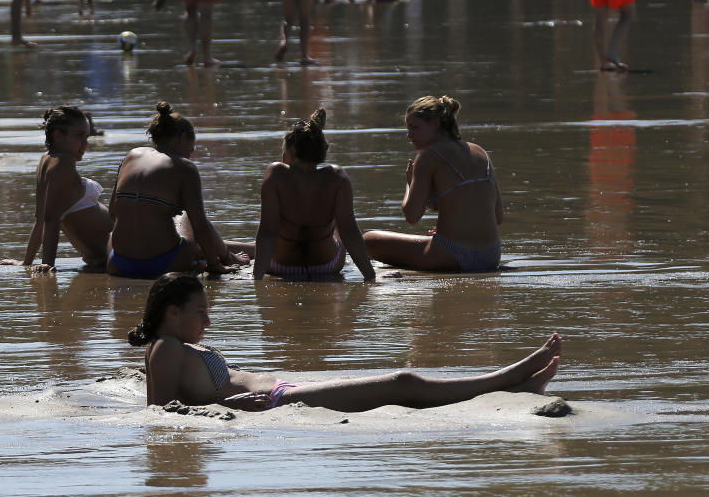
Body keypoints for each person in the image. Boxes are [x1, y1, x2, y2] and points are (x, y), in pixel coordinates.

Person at [129, 274, 562, 411]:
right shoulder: (167, 348)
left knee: (401, 382)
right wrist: (233, 407)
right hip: (278, 401)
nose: (209, 318)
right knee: (402, 380)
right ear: (173, 314)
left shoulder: (172, 345)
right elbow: (161, 415)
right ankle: (506, 377)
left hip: (280, 391)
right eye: (201, 312)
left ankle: (514, 387)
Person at [107, 102, 250, 278]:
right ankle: (228, 257)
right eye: (192, 145)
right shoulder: (185, 167)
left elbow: (113, 212)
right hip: (164, 263)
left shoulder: (131, 156)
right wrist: (216, 264)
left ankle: (215, 254)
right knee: (188, 215)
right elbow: (200, 225)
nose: (192, 151)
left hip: (119, 263)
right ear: (182, 137)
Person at [363, 96, 503, 272]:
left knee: (368, 240)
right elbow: (498, 217)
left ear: (435, 123)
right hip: (491, 255)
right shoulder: (480, 152)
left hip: (451, 255)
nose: (409, 135)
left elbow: (412, 216)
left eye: (414, 128)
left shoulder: (428, 156)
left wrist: (410, 183)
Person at [253, 109, 375, 281]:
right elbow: (350, 232)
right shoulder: (337, 177)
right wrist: (370, 276)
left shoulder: (276, 174)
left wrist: (257, 279)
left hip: (281, 267)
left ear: (291, 152)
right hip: (327, 266)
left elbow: (267, 231)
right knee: (342, 225)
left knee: (274, 229)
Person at [17, 106, 111, 273]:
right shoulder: (64, 162)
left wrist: (27, 262)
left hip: (106, 258)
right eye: (79, 136)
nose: (85, 144)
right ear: (58, 136)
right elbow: (49, 220)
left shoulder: (46, 159)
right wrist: (47, 265)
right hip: (119, 255)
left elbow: (41, 220)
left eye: (87, 137)